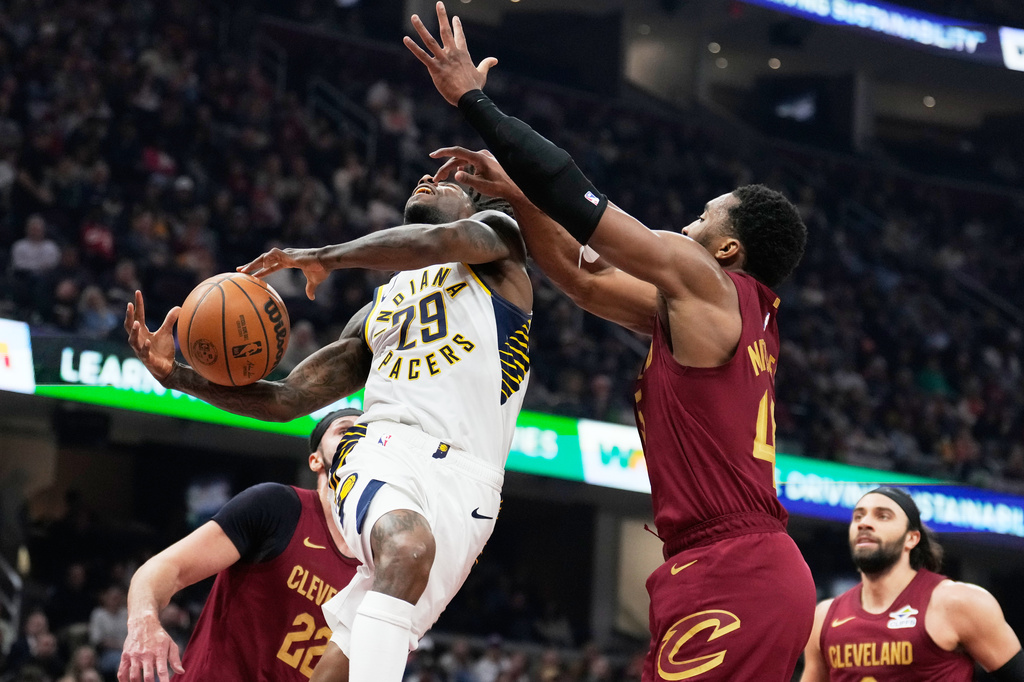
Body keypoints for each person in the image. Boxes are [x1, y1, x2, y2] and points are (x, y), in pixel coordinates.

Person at [404, 4, 813, 679]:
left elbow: (582, 200)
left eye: (702, 218)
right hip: (726, 564)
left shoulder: (705, 281)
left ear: (728, 248)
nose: (686, 226)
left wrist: (474, 102)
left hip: (735, 569)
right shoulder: (712, 314)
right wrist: (522, 199)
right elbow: (580, 280)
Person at [124, 175, 532, 682]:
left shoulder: (499, 244)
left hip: (473, 487)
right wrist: (176, 376)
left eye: (446, 182)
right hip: (384, 447)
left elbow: (437, 242)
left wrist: (325, 255)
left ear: (473, 203)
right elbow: (289, 397)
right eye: (425, 177)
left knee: (346, 663)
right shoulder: (377, 311)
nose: (427, 179)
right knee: (407, 549)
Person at [116, 409, 363, 682]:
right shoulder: (278, 506)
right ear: (316, 461)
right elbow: (166, 568)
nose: (359, 437)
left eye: (369, 433)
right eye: (345, 430)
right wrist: (145, 622)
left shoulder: (380, 566)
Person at [800, 486, 1023, 681]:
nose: (864, 523)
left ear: (911, 538)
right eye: (858, 516)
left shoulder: (957, 602)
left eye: (882, 516)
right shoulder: (823, 618)